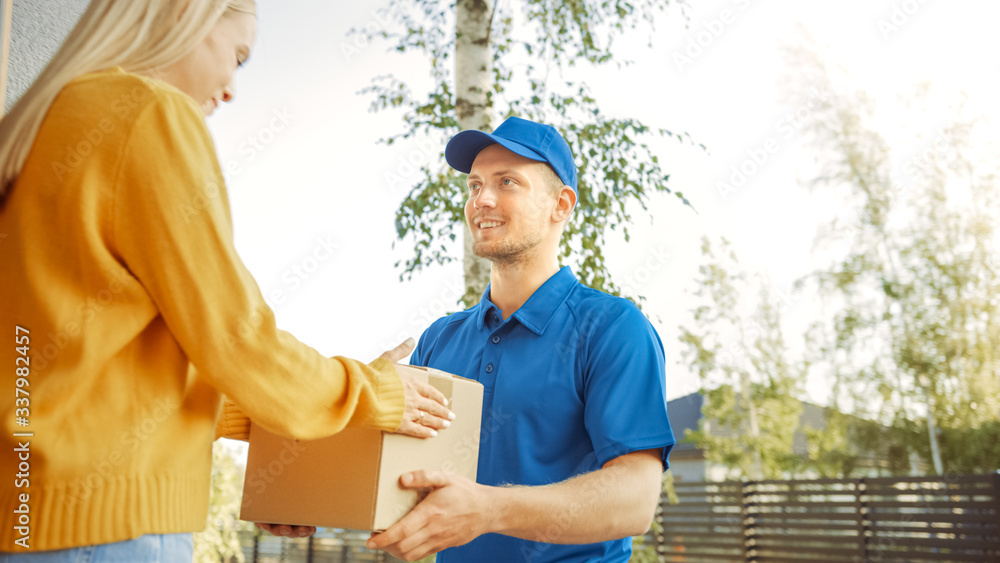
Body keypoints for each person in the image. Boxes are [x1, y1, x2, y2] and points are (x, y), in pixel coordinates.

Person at [0, 1, 452, 560]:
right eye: (238, 56)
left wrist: (285, 449)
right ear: (187, 13)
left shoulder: (49, 124)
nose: (234, 88)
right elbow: (237, 339)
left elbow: (101, 374)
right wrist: (374, 392)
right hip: (105, 530)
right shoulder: (147, 113)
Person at [367, 116, 676, 562]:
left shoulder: (613, 328)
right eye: (474, 186)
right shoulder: (440, 338)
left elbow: (634, 500)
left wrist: (489, 509)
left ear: (562, 205)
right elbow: (399, 475)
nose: (482, 199)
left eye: (507, 182)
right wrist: (310, 498)